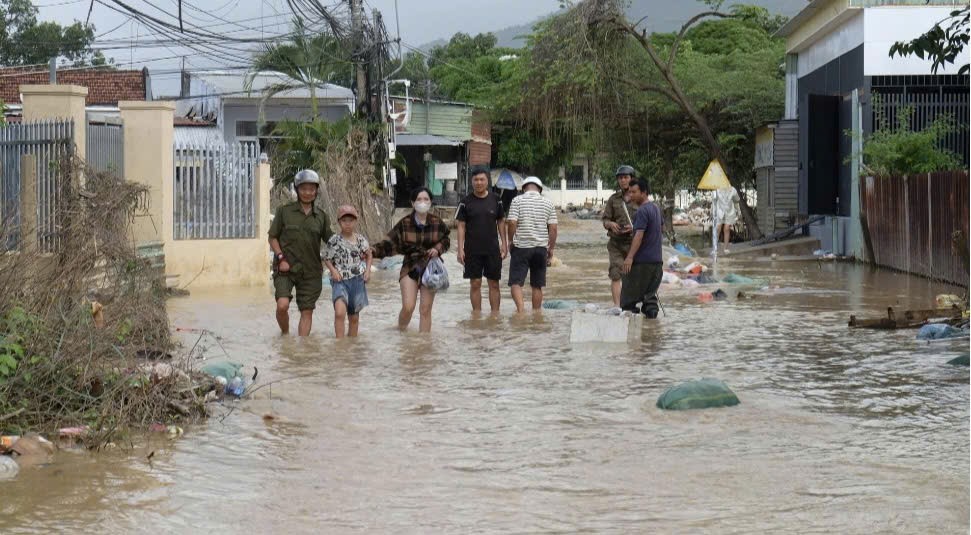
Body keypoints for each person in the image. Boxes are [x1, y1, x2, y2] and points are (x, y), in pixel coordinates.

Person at [372, 187, 450, 333]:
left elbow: (446, 239)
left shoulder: (437, 222)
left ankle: (423, 342)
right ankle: (401, 331)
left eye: (426, 199)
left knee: (425, 309)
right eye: (419, 199)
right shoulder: (404, 223)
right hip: (410, 266)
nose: (422, 202)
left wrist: (437, 249)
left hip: (430, 268)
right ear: (413, 203)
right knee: (408, 307)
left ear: (430, 202)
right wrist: (370, 251)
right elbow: (388, 243)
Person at [268, 169, 333, 336]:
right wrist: (281, 257)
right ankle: (285, 336)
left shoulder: (321, 216)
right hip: (285, 268)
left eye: (311, 189)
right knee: (282, 305)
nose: (308, 193)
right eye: (304, 189)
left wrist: (355, 246)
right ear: (297, 189)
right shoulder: (284, 211)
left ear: (316, 191)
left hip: (311, 271)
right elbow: (272, 237)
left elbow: (331, 241)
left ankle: (303, 348)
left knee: (307, 311)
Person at [456, 165, 508, 313]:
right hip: (472, 250)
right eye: (476, 180)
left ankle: (495, 315)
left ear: (487, 181)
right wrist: (460, 249)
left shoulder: (496, 200)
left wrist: (504, 244)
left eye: (482, 179)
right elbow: (461, 226)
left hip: (492, 249)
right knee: (475, 283)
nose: (479, 182)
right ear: (472, 181)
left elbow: (501, 222)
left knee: (494, 284)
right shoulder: (465, 202)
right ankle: (476, 315)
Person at [506, 176, 557, 313]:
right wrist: (551, 248)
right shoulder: (548, 203)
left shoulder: (517, 200)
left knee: (516, 283)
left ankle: (521, 311)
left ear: (524, 188)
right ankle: (536, 314)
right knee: (537, 285)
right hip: (541, 249)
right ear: (540, 189)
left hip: (521, 248)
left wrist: (510, 240)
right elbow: (553, 228)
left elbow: (512, 223)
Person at [324, 205, 372, 339]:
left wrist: (368, 271)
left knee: (354, 317)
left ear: (355, 222)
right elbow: (326, 258)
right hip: (340, 281)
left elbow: (369, 254)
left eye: (351, 220)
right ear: (339, 222)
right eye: (344, 221)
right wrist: (333, 271)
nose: (347, 224)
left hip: (357, 281)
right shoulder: (334, 241)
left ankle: (351, 346)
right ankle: (339, 345)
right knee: (339, 313)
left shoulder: (361, 240)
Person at [621, 178, 664, 319]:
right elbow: (659, 228)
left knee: (628, 302)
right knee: (650, 301)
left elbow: (639, 236)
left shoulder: (642, 211)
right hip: (657, 263)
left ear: (644, 192)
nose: (631, 195)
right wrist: (636, 228)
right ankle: (652, 329)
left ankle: (631, 331)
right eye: (629, 192)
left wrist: (629, 257)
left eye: (634, 192)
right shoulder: (656, 208)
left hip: (642, 264)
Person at [601, 164, 639, 307]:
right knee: (615, 273)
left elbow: (646, 222)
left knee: (633, 275)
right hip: (616, 243)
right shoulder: (613, 199)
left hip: (633, 244)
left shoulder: (638, 198)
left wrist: (633, 227)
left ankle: (631, 305)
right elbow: (605, 220)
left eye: (626, 177)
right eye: (620, 178)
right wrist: (611, 224)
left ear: (632, 179)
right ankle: (617, 307)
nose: (623, 180)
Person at [713, 185, 739, 253]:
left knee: (726, 228)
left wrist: (738, 210)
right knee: (718, 228)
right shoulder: (717, 189)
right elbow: (714, 200)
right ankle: (715, 248)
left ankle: (726, 248)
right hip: (719, 211)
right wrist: (713, 211)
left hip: (729, 211)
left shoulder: (733, 189)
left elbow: (737, 200)